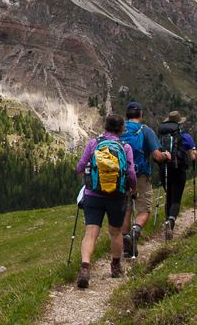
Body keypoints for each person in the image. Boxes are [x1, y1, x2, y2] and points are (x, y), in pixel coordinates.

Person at [75, 113, 137, 289]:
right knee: (115, 232)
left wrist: (86, 176)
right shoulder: (125, 147)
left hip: (93, 194)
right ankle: (116, 267)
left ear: (105, 126)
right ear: (121, 129)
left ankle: (85, 267)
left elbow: (80, 166)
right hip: (116, 196)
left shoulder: (94, 143)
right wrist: (132, 188)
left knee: (91, 233)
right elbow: (131, 173)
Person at [120, 101, 169, 255]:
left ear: (127, 115)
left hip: (121, 176)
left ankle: (125, 239)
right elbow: (157, 156)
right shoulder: (145, 130)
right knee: (144, 209)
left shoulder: (119, 130)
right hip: (141, 175)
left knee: (126, 209)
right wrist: (166, 155)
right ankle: (136, 230)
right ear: (140, 114)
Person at [157, 110, 197, 240]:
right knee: (176, 198)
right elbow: (192, 156)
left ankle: (167, 221)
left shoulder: (161, 136)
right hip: (179, 169)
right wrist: (194, 153)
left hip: (164, 169)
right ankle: (171, 221)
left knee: (168, 195)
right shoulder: (185, 137)